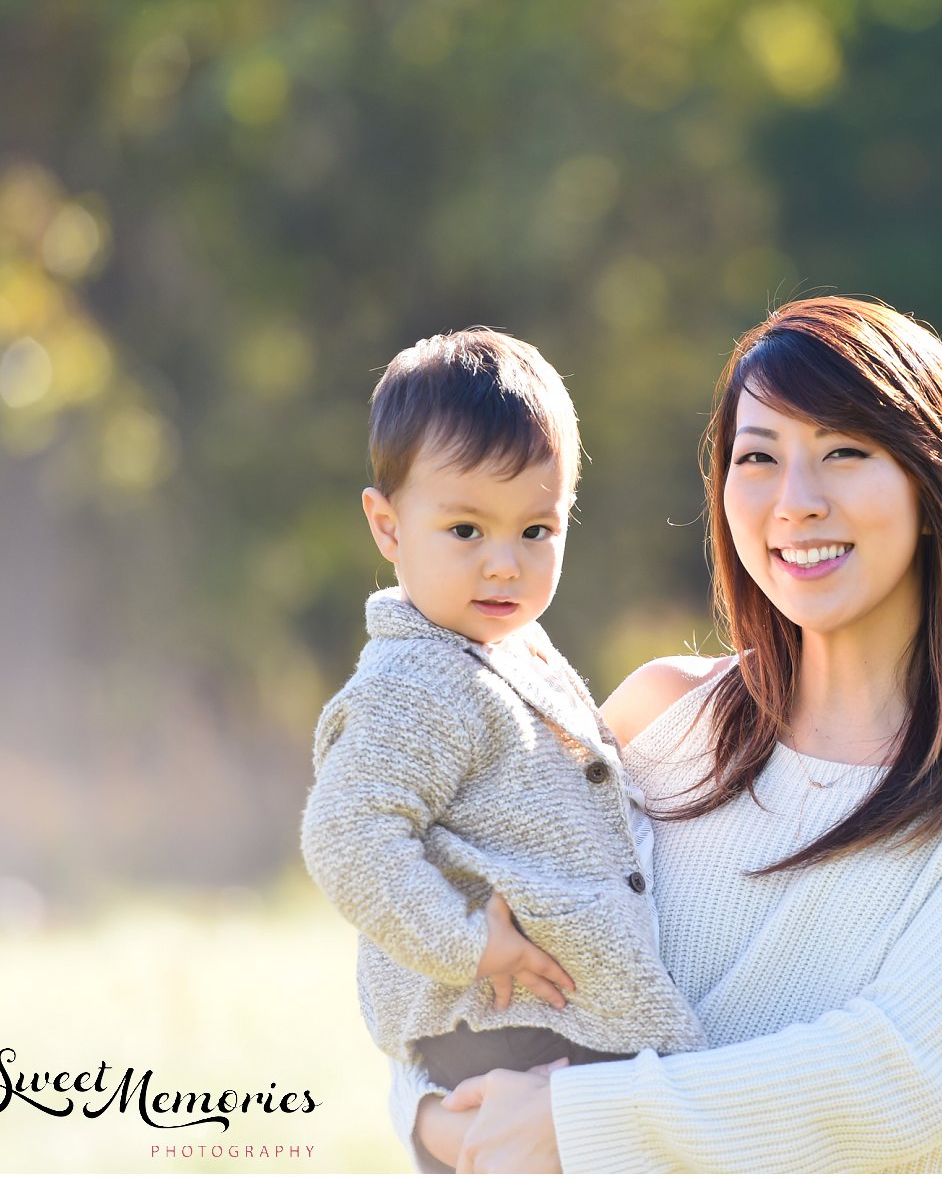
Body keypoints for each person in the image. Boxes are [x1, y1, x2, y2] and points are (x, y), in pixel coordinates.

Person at [400, 297, 942, 1172]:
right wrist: (434, 1121)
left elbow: (898, 1078)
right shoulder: (656, 720)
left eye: (844, 453)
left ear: (933, 486)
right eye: (758, 458)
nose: (796, 501)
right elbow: (446, 958)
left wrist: (576, 1118)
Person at [300, 328, 705, 1164]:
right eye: (464, 530)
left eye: (535, 529)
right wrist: (466, 940)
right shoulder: (416, 683)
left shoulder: (504, 652)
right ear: (387, 526)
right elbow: (345, 832)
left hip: (544, 1025)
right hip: (501, 1022)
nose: (504, 565)